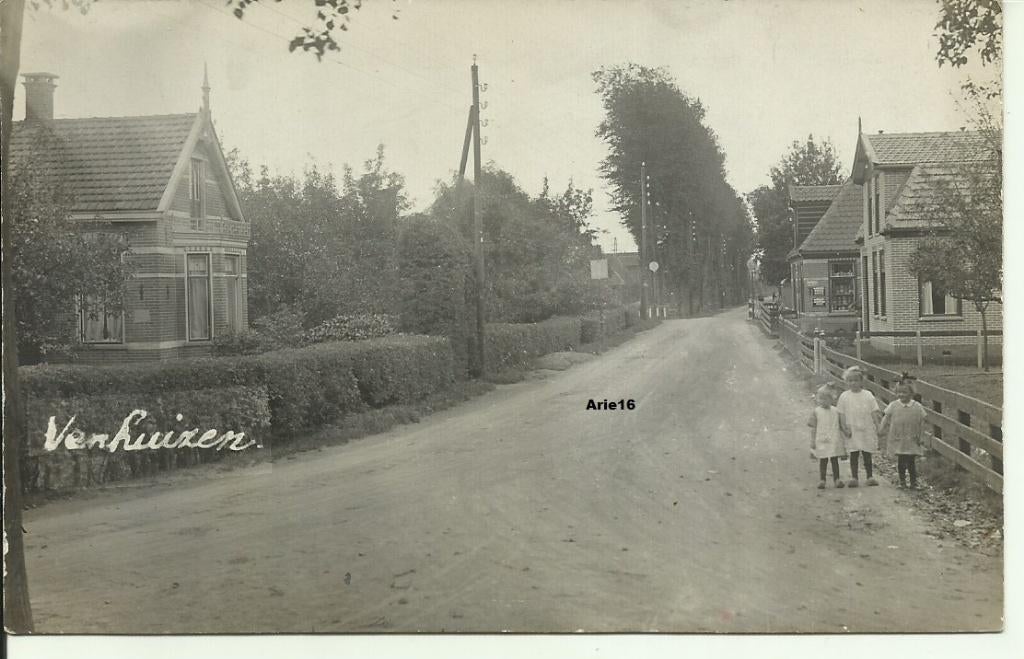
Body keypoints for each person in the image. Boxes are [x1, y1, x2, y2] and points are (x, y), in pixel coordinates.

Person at [836, 366, 882, 487]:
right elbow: (841, 413)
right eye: (850, 381)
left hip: (866, 428)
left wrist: (878, 426)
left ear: (861, 381)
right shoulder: (844, 396)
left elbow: (874, 411)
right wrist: (844, 428)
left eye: (856, 380)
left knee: (867, 452)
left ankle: (870, 476)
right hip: (852, 428)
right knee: (854, 453)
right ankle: (854, 477)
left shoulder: (868, 395)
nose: (853, 383)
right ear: (847, 382)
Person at [879, 379, 928, 489]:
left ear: (911, 393)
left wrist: (921, 436)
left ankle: (913, 482)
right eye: (899, 392)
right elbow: (886, 417)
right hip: (899, 437)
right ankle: (902, 481)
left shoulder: (917, 406)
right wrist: (881, 428)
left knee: (911, 461)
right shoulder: (894, 405)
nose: (901, 395)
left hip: (912, 437)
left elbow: (922, 422)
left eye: (904, 392)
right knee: (901, 460)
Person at [809, 384, 847, 489]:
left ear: (832, 399)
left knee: (834, 459)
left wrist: (845, 433)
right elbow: (813, 427)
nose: (823, 401)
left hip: (834, 438)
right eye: (820, 398)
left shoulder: (836, 411)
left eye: (826, 399)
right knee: (823, 459)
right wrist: (812, 441)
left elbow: (840, 425)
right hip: (821, 439)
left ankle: (837, 479)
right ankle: (822, 479)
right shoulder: (816, 411)